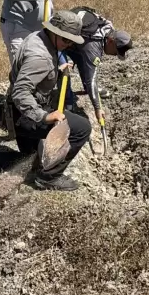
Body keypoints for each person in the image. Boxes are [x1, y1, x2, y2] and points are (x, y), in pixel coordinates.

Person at [8, 10, 92, 191]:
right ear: (54, 32)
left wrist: (57, 69)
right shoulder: (40, 57)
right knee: (82, 128)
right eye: (66, 40)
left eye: (71, 41)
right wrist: (44, 116)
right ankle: (49, 178)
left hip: (17, 110)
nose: (68, 45)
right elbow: (21, 92)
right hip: (25, 115)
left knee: (32, 160)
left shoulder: (38, 37)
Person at [65, 7, 133, 124]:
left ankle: (89, 90)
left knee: (83, 60)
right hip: (59, 40)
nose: (113, 55)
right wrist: (97, 108)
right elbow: (92, 78)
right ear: (111, 41)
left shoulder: (109, 29)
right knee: (65, 69)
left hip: (76, 41)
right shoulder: (94, 46)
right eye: (115, 52)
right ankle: (68, 101)